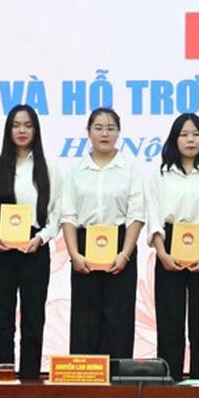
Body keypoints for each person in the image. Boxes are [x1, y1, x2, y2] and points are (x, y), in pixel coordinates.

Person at [147, 113, 199, 381]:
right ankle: (169, 379)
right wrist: (162, 253)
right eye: (183, 135)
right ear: (174, 139)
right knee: (169, 321)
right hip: (169, 246)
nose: (190, 140)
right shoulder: (160, 174)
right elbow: (154, 216)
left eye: (196, 134)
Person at [0, 105, 60, 381]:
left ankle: (29, 378)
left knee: (33, 316)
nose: (22, 130)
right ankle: (3, 377)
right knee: (2, 317)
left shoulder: (49, 168)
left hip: (34, 248)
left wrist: (41, 238)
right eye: (16, 125)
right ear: (8, 130)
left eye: (27, 125)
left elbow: (56, 214)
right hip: (1, 248)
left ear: (36, 130)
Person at [59, 108, 146, 358]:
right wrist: (74, 254)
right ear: (88, 132)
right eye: (98, 128)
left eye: (110, 128)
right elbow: (68, 216)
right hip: (84, 247)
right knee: (85, 318)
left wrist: (125, 254)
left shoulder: (130, 170)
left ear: (118, 133)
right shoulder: (76, 171)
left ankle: (118, 378)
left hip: (120, 246)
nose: (104, 133)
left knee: (119, 318)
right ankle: (85, 377)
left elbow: (136, 215)